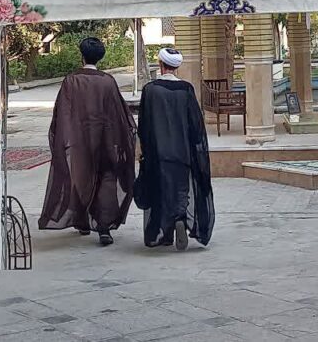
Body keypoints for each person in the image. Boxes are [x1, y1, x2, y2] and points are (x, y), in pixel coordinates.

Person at [39, 37, 136, 246]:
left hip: (80, 142)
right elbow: (118, 114)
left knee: (80, 180)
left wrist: (64, 139)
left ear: (81, 55)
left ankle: (82, 221)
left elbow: (63, 114)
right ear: (100, 57)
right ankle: (104, 228)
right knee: (106, 181)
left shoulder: (71, 81)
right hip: (106, 140)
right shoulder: (108, 81)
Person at [136, 48, 215, 250]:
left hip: (158, 152)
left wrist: (144, 149)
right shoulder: (186, 89)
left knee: (160, 190)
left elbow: (144, 124)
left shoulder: (150, 90)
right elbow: (195, 124)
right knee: (181, 190)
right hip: (182, 152)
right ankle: (180, 217)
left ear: (160, 64)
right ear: (176, 67)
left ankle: (164, 233)